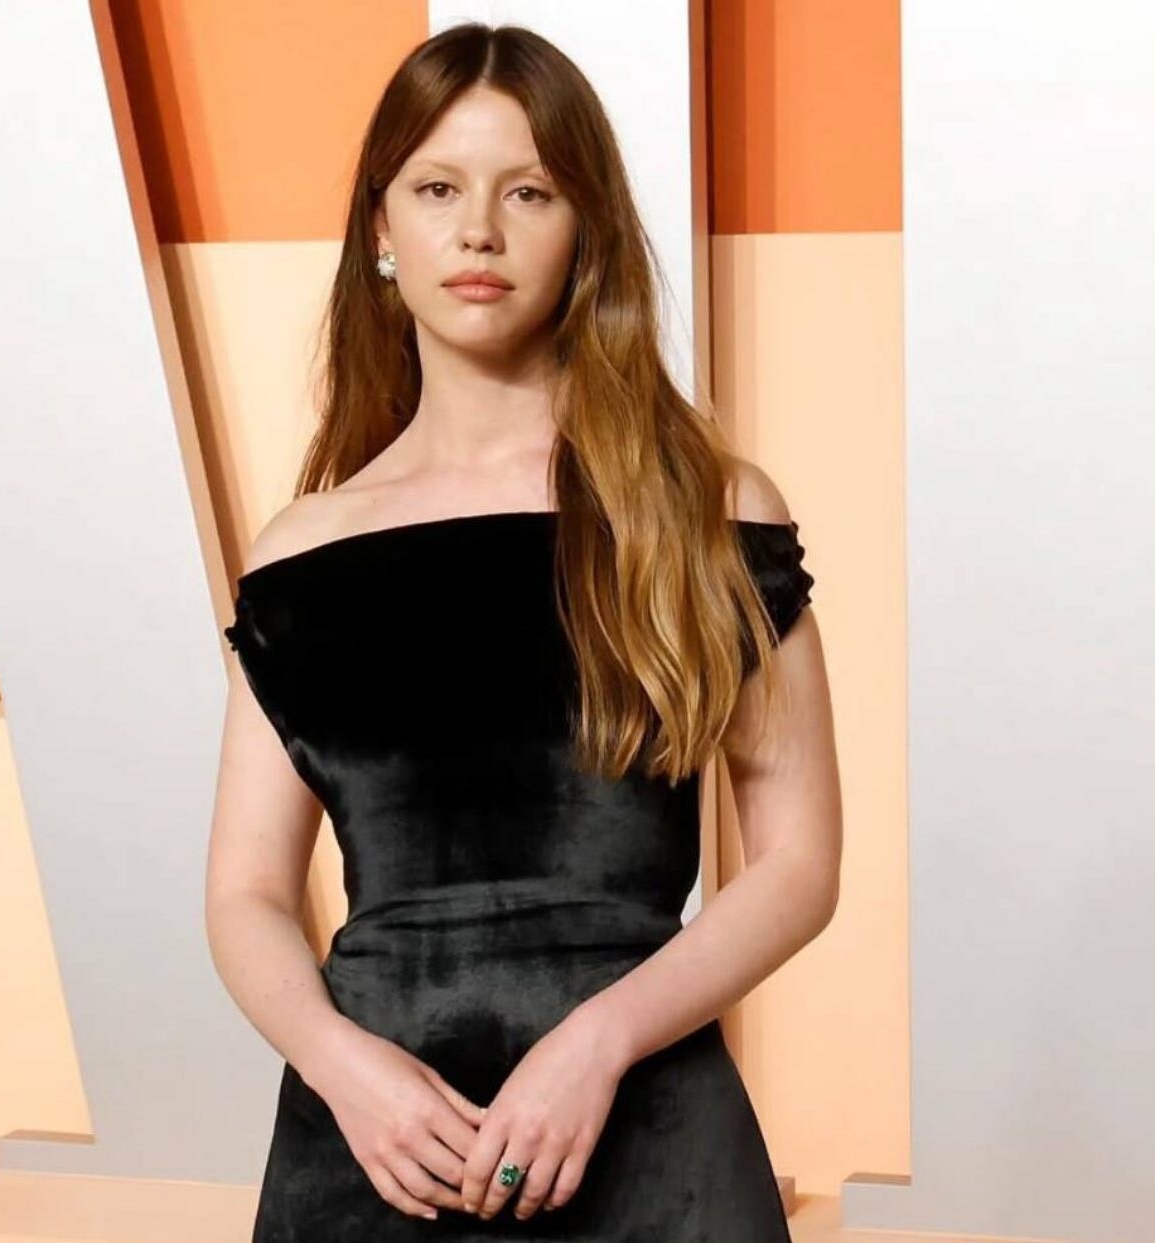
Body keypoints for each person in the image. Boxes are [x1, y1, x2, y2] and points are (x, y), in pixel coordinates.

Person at [207, 21, 841, 1242]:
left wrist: (599, 1042)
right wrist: (340, 1065)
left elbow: (799, 865)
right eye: (437, 189)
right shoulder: (302, 554)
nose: (479, 231)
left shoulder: (707, 511)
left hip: (652, 1127)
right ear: (381, 229)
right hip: (378, 1144)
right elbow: (244, 891)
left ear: (585, 226)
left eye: (529, 192)